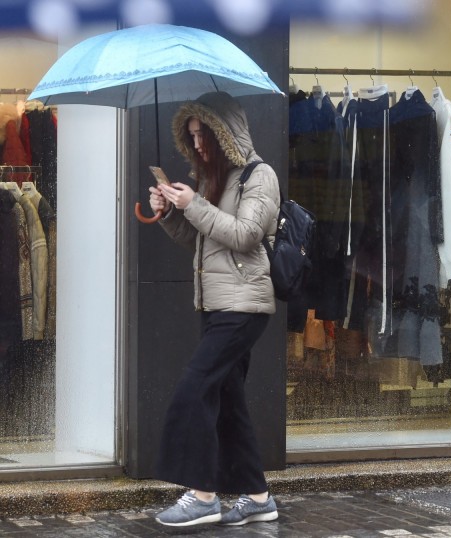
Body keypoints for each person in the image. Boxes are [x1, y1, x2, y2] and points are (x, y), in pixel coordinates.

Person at [148, 91, 281, 527]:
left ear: (226, 133)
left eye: (204, 134)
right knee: (229, 399)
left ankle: (203, 494)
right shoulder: (210, 180)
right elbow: (202, 242)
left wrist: (196, 206)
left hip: (244, 305)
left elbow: (244, 236)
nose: (198, 144)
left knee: (195, 387)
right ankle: (258, 497)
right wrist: (171, 213)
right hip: (214, 302)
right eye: (192, 136)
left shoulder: (260, 177)